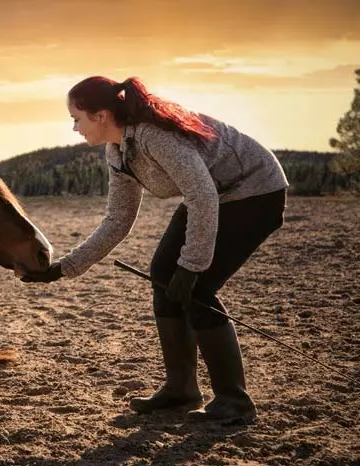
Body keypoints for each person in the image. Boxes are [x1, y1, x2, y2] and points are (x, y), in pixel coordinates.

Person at [21, 76, 289, 424]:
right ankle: (181, 389)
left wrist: (192, 266)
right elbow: (118, 218)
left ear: (100, 115)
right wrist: (64, 268)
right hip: (212, 194)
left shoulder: (154, 136)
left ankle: (234, 400)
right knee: (163, 273)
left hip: (255, 191)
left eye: (76, 118)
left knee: (198, 287)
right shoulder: (117, 150)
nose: (74, 128)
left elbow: (202, 194)